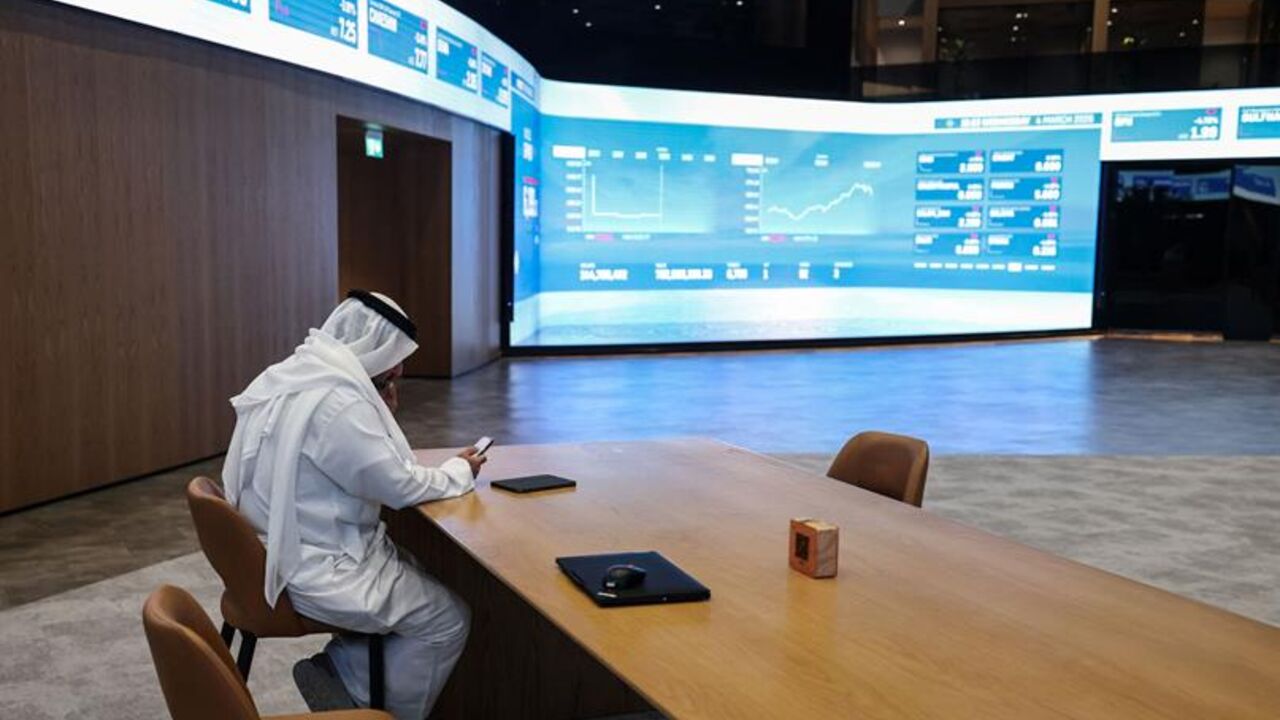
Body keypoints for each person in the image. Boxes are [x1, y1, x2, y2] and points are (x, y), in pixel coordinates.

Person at [221, 290, 485, 719]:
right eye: (392, 371)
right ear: (377, 351)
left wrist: (379, 404)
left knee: (414, 567)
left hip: (269, 553)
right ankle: (365, 703)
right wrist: (459, 471)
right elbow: (398, 484)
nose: (397, 374)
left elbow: (364, 463)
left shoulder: (295, 373)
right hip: (314, 569)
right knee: (447, 618)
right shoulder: (339, 403)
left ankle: (347, 668)